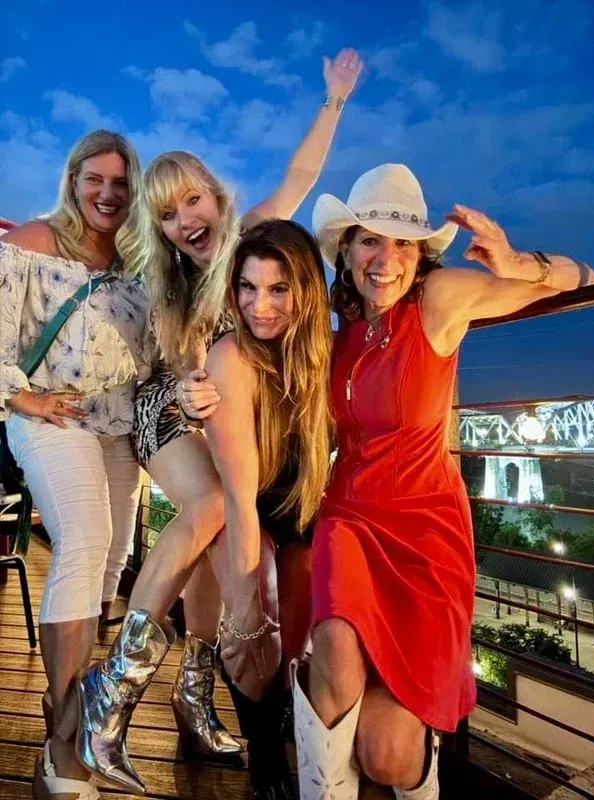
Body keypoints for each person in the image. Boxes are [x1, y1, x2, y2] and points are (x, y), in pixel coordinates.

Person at [72, 50, 363, 796]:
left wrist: (333, 100)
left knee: (215, 544)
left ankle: (195, 693)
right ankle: (113, 692)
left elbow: (300, 176)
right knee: (210, 509)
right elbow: (166, 363)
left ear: (215, 195)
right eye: (168, 215)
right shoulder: (167, 279)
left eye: (192, 201)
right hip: (166, 408)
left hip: (223, 420)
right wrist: (191, 387)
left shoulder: (254, 243)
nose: (185, 221)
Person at [289, 163, 594, 800]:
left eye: (403, 244)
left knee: (387, 756)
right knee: (335, 646)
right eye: (370, 240)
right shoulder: (339, 332)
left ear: (421, 256)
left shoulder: (438, 301)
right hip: (348, 520)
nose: (387, 259)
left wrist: (520, 263)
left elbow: (585, 277)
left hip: (425, 536)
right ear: (345, 250)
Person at [73, 220, 332, 798]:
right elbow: (237, 498)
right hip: (241, 497)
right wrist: (246, 608)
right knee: (254, 608)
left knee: (302, 606)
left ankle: (201, 699)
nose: (259, 306)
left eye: (278, 289)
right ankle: (123, 691)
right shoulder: (232, 354)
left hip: (296, 510)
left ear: (307, 291)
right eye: (248, 288)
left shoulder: (318, 354)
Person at [0, 130, 147, 800]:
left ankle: (74, 709)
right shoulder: (32, 243)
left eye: (120, 182)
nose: (107, 193)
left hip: (119, 426)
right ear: (73, 180)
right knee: (84, 541)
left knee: (111, 560)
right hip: (50, 416)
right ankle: (64, 738)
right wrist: (24, 397)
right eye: (95, 179)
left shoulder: (140, 262)